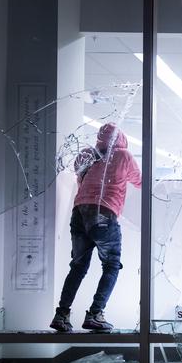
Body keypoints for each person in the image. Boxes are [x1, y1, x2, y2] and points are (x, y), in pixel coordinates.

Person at [50, 123, 142, 332]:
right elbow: (139, 181)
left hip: (79, 212)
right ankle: (95, 314)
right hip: (104, 213)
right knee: (111, 265)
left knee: (78, 266)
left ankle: (61, 315)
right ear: (121, 138)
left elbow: (78, 175)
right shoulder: (123, 156)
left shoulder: (86, 155)